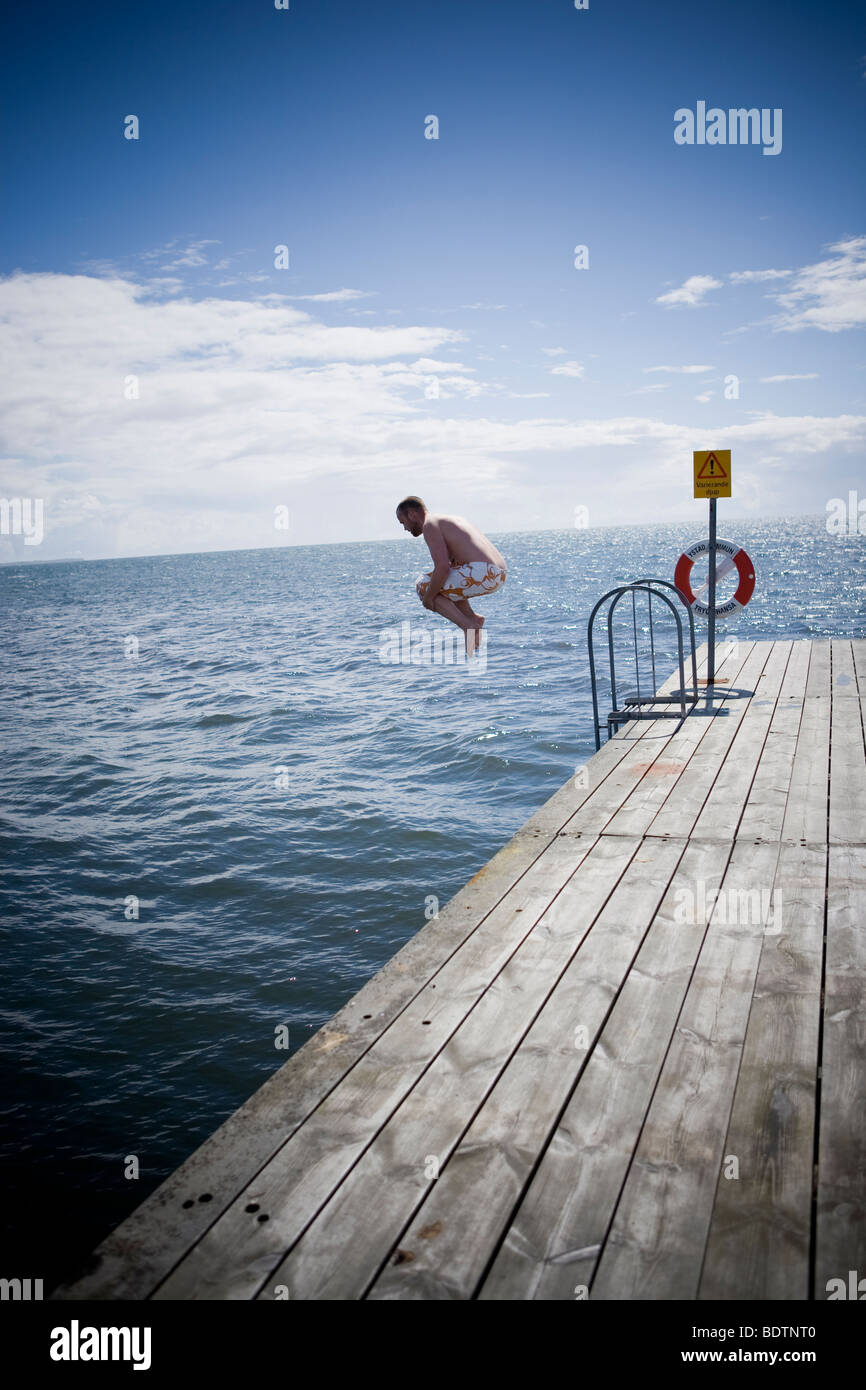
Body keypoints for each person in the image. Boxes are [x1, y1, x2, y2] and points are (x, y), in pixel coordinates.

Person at [396, 496, 506, 656]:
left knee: (423, 585)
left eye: (402, 522)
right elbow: (453, 568)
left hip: (485, 573)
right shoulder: (451, 520)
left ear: (412, 515)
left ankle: (467, 625)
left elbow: (442, 568)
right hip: (499, 573)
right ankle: (472, 618)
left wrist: (427, 598)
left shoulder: (429, 525)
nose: (405, 528)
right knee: (445, 582)